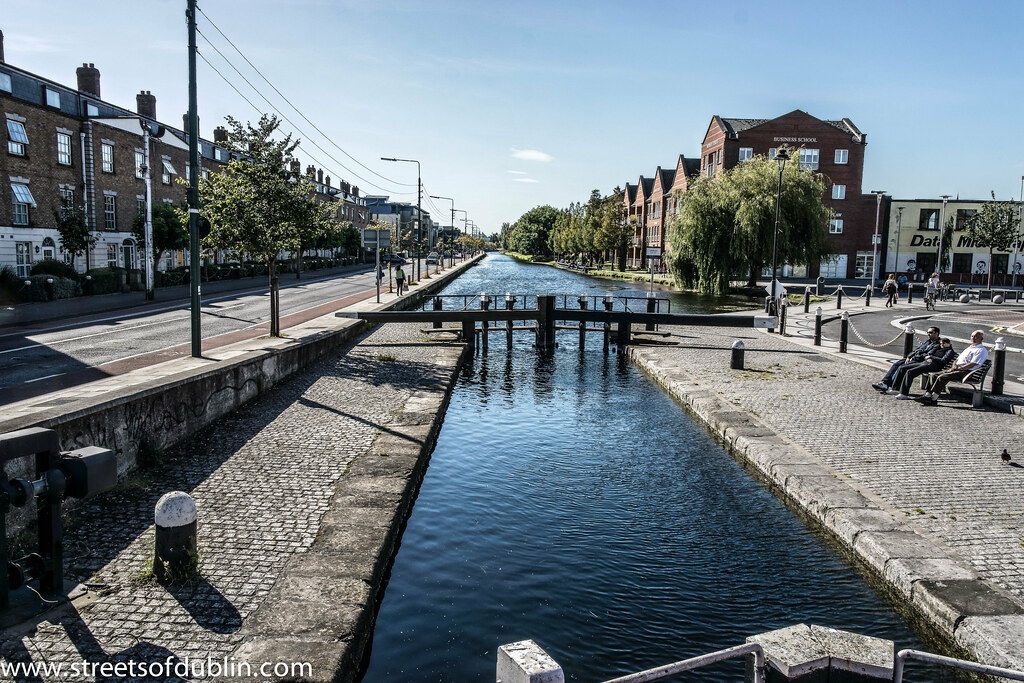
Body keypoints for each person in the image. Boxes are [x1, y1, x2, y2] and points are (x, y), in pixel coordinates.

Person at [917, 330, 989, 405]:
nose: (973, 338)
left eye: (976, 337)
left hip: (966, 372)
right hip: (957, 369)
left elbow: (972, 364)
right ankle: (927, 395)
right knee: (933, 375)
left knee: (942, 377)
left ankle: (934, 398)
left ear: (981, 339)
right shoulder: (969, 348)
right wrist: (954, 366)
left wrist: (959, 369)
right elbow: (957, 359)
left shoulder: (981, 350)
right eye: (972, 336)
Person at [872, 326, 941, 392]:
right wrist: (909, 356)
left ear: (936, 333)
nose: (928, 334)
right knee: (896, 364)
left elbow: (928, 354)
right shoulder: (928, 342)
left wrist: (915, 356)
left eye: (930, 332)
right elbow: (917, 350)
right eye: (928, 332)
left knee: (902, 368)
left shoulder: (938, 344)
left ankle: (892, 386)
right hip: (914, 358)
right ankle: (884, 382)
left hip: (921, 362)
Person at [888, 337, 956, 399]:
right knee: (902, 368)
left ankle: (904, 393)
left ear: (949, 344)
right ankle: (895, 389)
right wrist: (930, 356)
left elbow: (943, 360)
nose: (942, 345)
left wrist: (932, 357)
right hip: (925, 362)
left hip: (933, 366)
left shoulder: (949, 351)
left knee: (910, 372)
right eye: (941, 343)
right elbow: (930, 353)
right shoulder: (938, 348)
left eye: (944, 343)